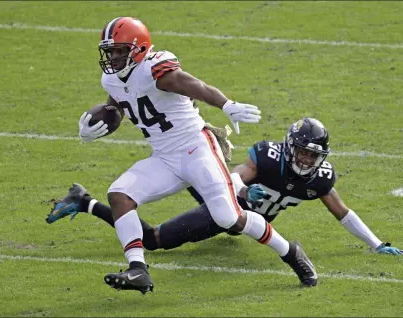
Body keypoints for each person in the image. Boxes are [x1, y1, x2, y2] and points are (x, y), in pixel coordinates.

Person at [52, 17, 320, 294]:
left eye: (120, 50)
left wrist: (227, 104)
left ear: (139, 48)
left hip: (197, 149)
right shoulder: (112, 78)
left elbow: (195, 85)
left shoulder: (155, 69)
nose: (113, 57)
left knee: (229, 218)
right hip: (164, 157)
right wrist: (96, 126)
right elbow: (118, 105)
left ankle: (290, 252)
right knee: (119, 194)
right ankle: (138, 270)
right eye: (110, 51)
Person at [47, 118, 401, 274]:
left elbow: (342, 212)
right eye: (303, 152)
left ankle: (206, 149)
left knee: (215, 200)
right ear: (291, 147)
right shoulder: (268, 156)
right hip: (229, 203)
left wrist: (375, 243)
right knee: (154, 241)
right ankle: (86, 201)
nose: (308, 159)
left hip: (235, 217)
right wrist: (246, 188)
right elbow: (232, 178)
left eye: (314, 154)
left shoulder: (321, 179)